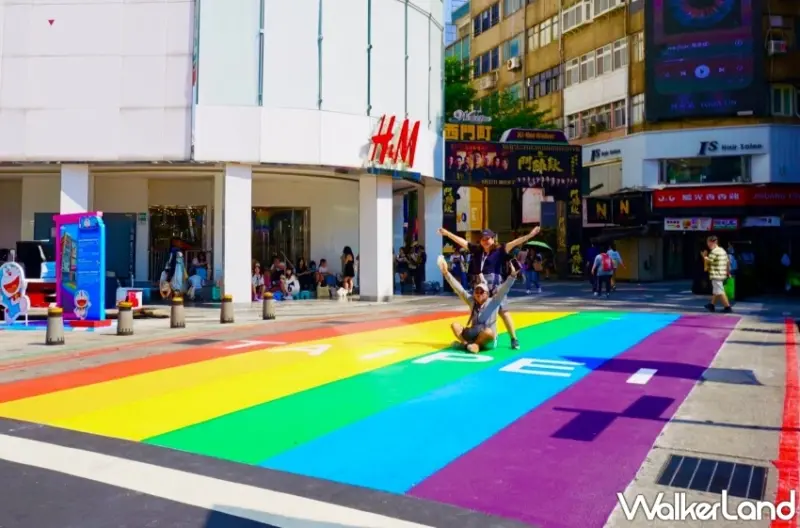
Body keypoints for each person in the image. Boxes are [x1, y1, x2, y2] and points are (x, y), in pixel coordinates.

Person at [438, 226, 540, 350]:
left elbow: (515, 242)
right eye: (483, 239)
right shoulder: (477, 250)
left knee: (504, 312)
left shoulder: (499, 250)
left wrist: (530, 235)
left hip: (495, 285)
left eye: (488, 238)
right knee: (478, 309)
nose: (485, 241)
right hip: (481, 285)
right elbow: (462, 242)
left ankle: (514, 338)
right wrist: (448, 233)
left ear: (493, 239)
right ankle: (477, 336)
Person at [437, 255, 518, 353]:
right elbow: (459, 289)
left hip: (488, 339)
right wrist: (446, 273)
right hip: (473, 334)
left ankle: (475, 345)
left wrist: (512, 276)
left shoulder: (494, 301)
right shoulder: (472, 301)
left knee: (488, 332)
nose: (479, 294)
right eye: (476, 291)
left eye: (481, 292)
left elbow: (505, 289)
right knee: (455, 325)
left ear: (487, 294)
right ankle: (466, 345)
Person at [702, 235, 732, 312]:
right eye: (708, 243)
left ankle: (727, 307)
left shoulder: (714, 251)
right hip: (722, 274)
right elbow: (728, 262)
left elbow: (708, 262)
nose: (708, 245)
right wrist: (728, 272)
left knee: (720, 291)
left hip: (716, 274)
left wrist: (704, 256)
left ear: (715, 242)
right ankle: (711, 305)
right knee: (716, 291)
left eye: (709, 243)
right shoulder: (722, 250)